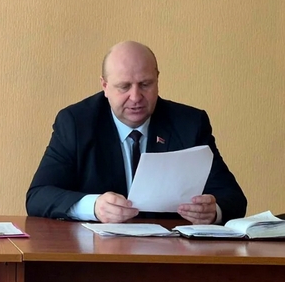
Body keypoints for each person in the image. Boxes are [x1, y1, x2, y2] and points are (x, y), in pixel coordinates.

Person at [26, 41, 247, 224]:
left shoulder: (189, 124)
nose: (135, 97)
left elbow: (233, 198)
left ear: (157, 79)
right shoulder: (76, 123)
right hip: (97, 253)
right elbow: (38, 196)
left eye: (145, 84)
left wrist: (213, 211)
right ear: (105, 86)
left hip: (171, 253)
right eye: (124, 87)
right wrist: (94, 206)